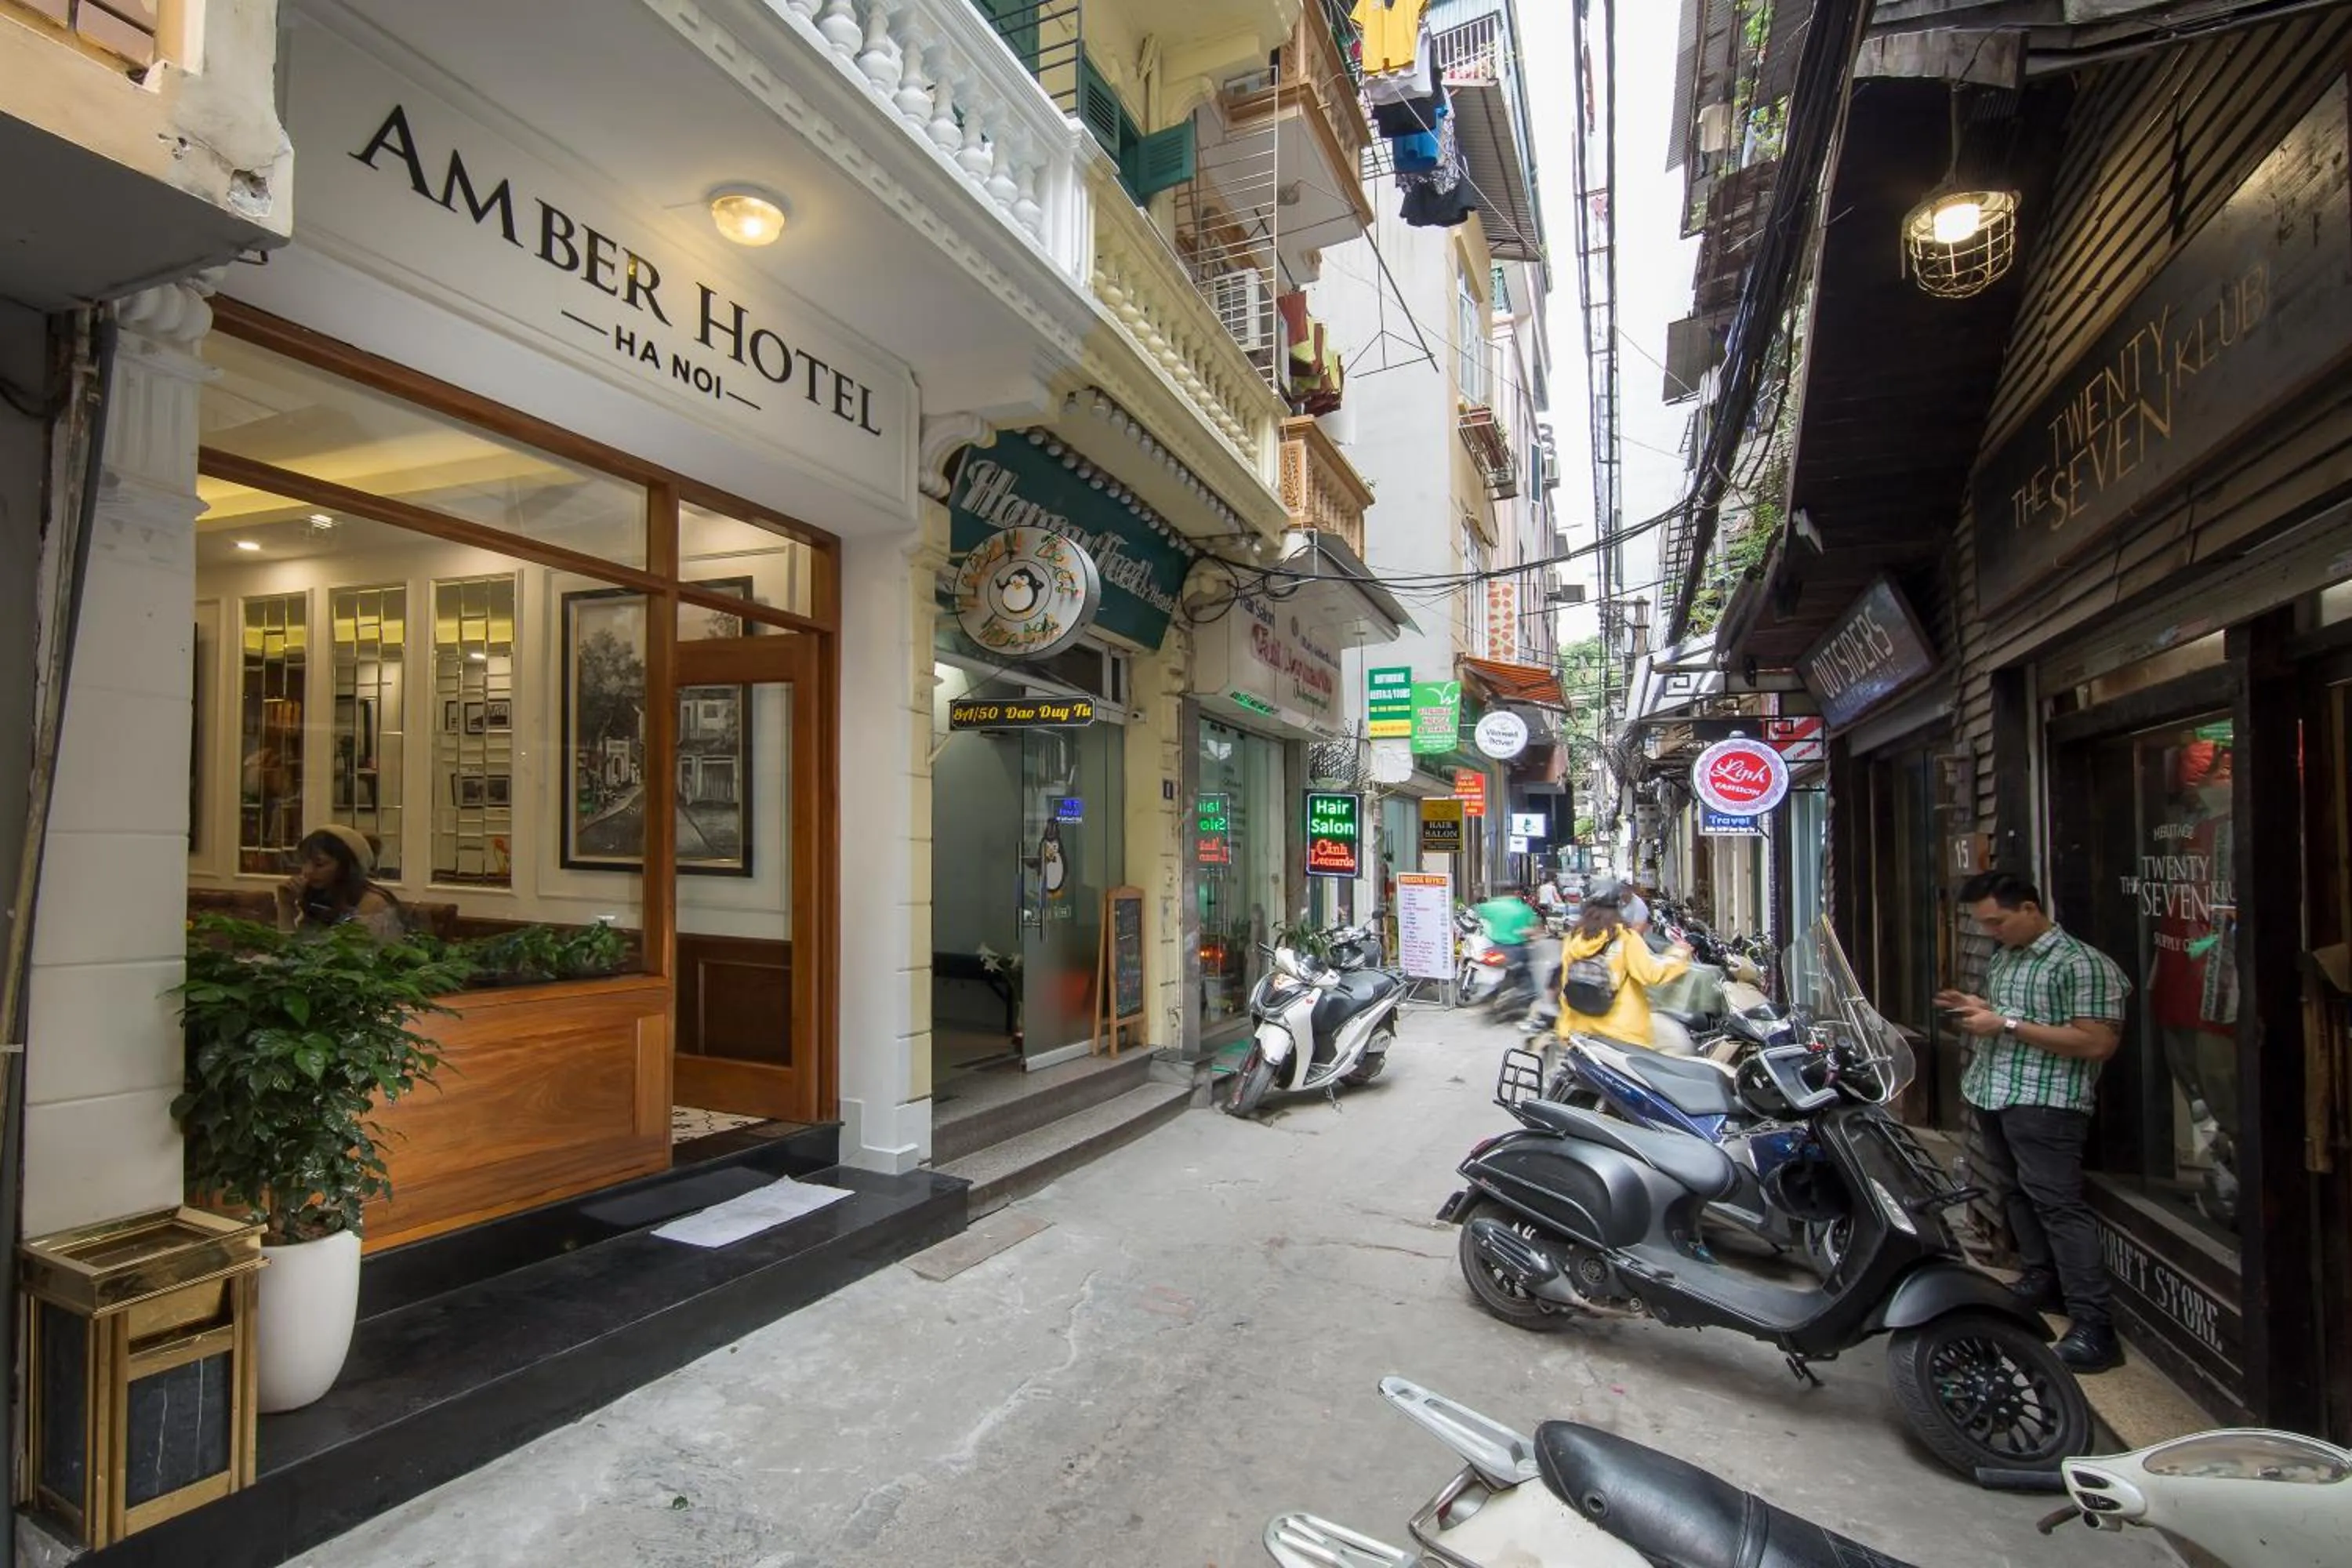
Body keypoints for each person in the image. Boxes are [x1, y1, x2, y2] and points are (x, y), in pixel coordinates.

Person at [1936, 869, 2131, 1373]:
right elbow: (2012, 1014)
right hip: (1995, 1090)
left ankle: (2094, 1324)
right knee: (2016, 1192)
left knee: (2058, 1205)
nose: (1991, 933)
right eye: (1984, 925)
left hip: (2047, 1101)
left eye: (1998, 922)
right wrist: (1981, 1008)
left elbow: (2097, 1042)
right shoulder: (2008, 957)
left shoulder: (2082, 964)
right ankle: (2042, 1280)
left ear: (2029, 909)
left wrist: (2005, 1023)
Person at [1555, 876, 1691, 1050]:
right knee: (1678, 1043)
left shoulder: (1573, 939)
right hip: (1623, 1035)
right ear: (1618, 908)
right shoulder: (1626, 939)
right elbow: (1652, 974)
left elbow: (1565, 983)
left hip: (1578, 1030)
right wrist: (1679, 954)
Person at [274, 824, 405, 941]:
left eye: (319, 864)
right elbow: (289, 953)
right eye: (304, 862)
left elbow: (361, 961)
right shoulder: (319, 895)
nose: (307, 871)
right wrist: (285, 905)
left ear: (347, 867)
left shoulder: (372, 903)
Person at [1473, 885, 1542, 1004]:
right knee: (1528, 972)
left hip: (1496, 947)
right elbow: (1535, 929)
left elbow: (1475, 911)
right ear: (1516, 894)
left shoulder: (1492, 906)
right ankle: (1527, 993)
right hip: (1517, 949)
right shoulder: (1523, 909)